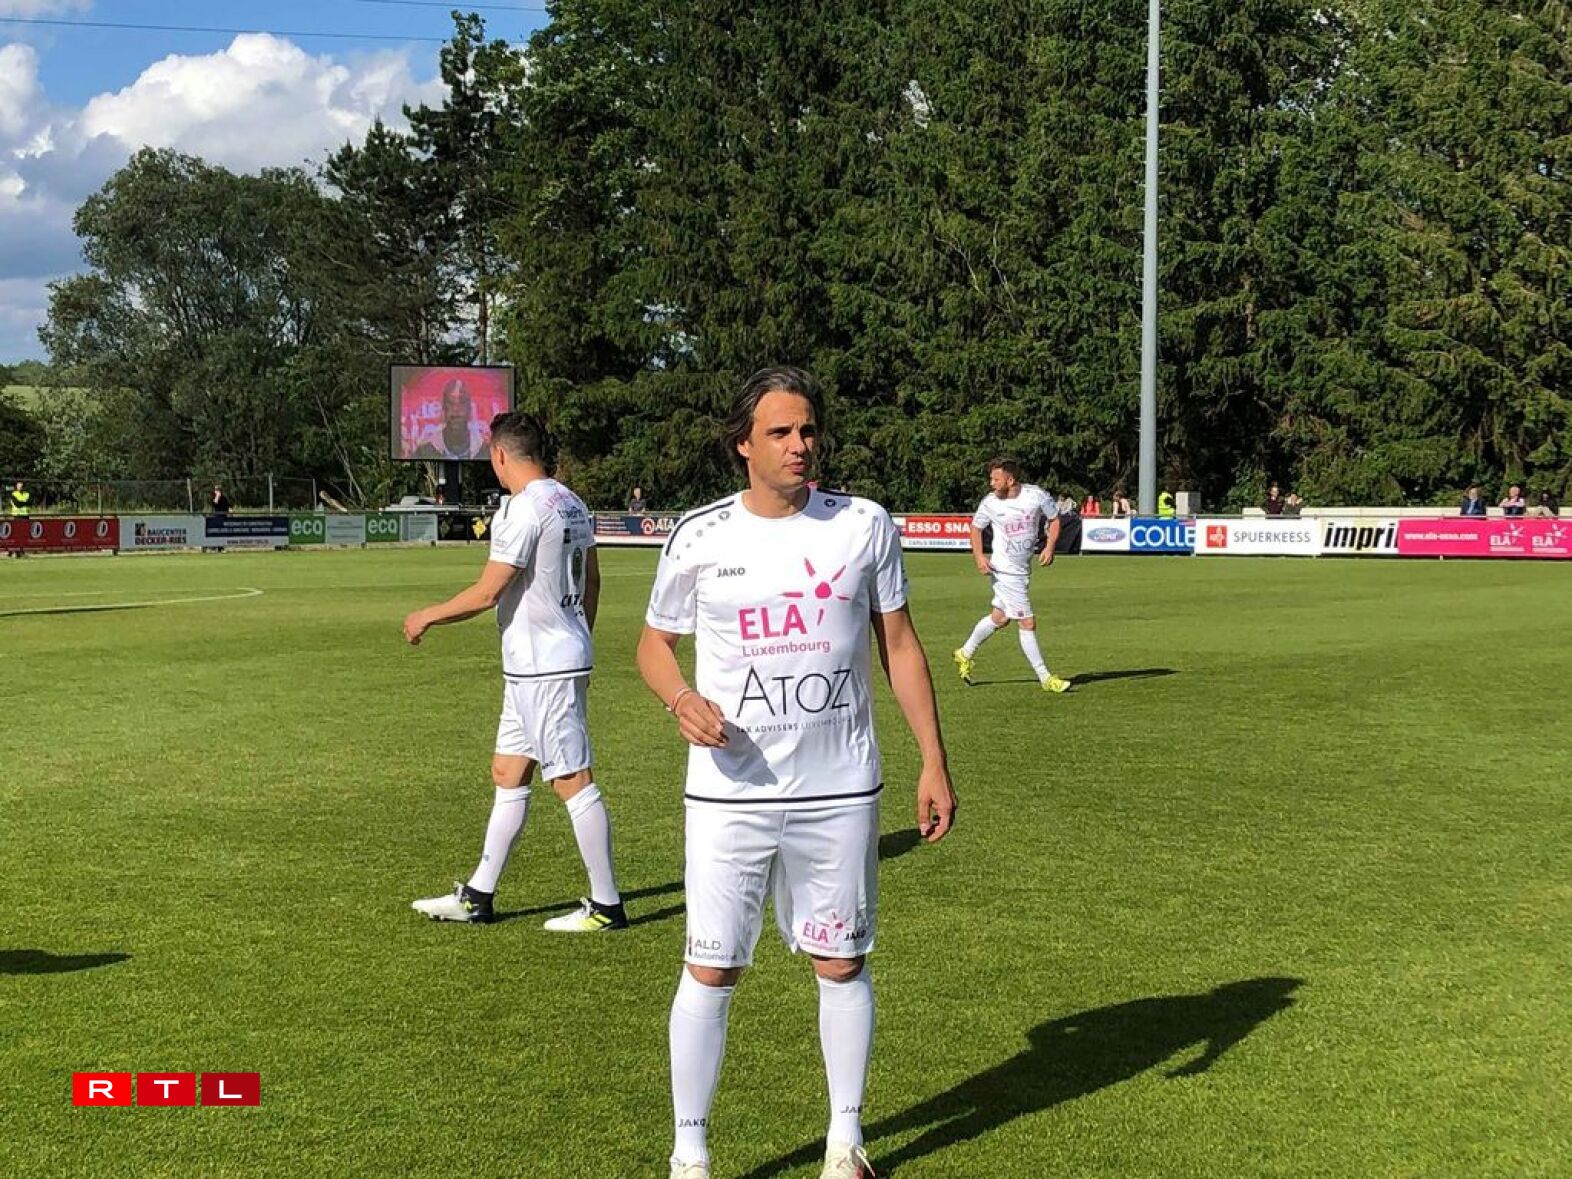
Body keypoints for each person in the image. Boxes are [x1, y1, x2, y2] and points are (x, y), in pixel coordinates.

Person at [637, 366, 956, 1179]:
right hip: (730, 790)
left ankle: (845, 1144)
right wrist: (679, 698)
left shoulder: (863, 525)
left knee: (842, 961)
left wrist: (933, 759)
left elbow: (901, 644)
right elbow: (652, 645)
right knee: (711, 964)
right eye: (779, 432)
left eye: (807, 429)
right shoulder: (700, 536)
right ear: (742, 443)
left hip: (840, 786)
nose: (799, 445)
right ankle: (690, 1156)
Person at [404, 411, 626, 932]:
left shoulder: (525, 510)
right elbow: (592, 581)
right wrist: (583, 638)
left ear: (501, 455)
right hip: (544, 663)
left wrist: (427, 615)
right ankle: (478, 895)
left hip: (542, 665)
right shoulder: (570, 501)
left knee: (572, 778)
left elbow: (487, 592)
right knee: (508, 771)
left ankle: (606, 905)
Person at [952, 460, 1071, 694]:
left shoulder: (1035, 495)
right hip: (1004, 570)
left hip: (1021, 569)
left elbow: (1055, 519)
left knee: (1000, 618)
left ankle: (964, 653)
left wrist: (1050, 546)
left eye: (995, 479)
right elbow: (975, 529)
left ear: (1010, 480)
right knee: (1027, 622)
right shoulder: (989, 503)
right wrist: (979, 557)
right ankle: (1045, 678)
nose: (991, 483)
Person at [411, 379, 489, 460]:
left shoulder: (485, 451)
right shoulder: (424, 451)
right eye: (451, 403)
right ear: (444, 408)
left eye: (461, 403)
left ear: (469, 409)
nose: (456, 409)